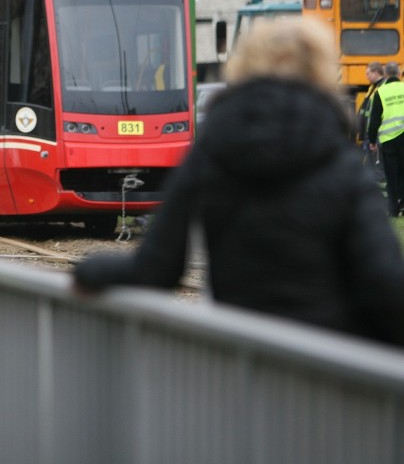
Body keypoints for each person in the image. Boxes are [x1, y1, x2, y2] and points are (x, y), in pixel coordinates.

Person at [72, 17, 404, 347]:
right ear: (320, 72)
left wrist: (89, 270)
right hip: (323, 371)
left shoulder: (211, 150)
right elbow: (384, 285)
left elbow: (156, 269)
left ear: (244, 66)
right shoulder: (340, 162)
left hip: (236, 368)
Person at [368, 62, 404, 217]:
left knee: (391, 176)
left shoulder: (380, 92)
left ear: (386, 75)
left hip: (389, 141)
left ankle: (393, 210)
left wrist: (371, 140)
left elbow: (374, 120)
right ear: (399, 74)